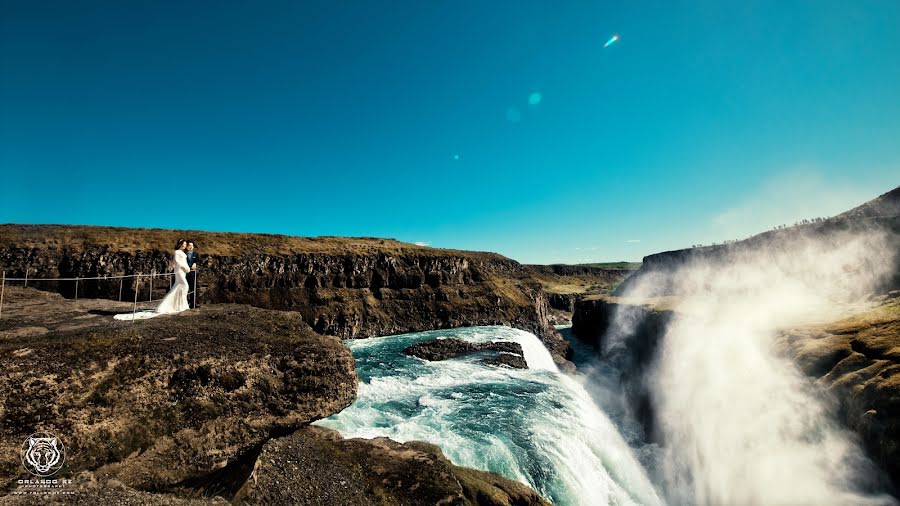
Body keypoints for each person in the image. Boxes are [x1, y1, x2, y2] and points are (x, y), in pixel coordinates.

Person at [114, 239, 192, 320]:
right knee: (185, 285)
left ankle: (179, 305)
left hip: (183, 271)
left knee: (178, 286)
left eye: (185, 244)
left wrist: (187, 268)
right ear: (180, 244)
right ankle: (174, 305)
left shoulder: (183, 253)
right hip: (179, 270)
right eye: (183, 244)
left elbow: (184, 261)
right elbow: (177, 261)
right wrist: (186, 268)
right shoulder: (177, 252)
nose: (185, 245)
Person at [185, 240, 200, 308]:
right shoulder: (183, 253)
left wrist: (196, 263)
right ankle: (185, 303)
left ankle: (193, 303)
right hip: (185, 274)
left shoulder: (195, 254)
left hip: (193, 274)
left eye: (192, 246)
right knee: (184, 289)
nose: (190, 247)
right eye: (189, 245)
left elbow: (198, 261)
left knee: (193, 288)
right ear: (186, 246)